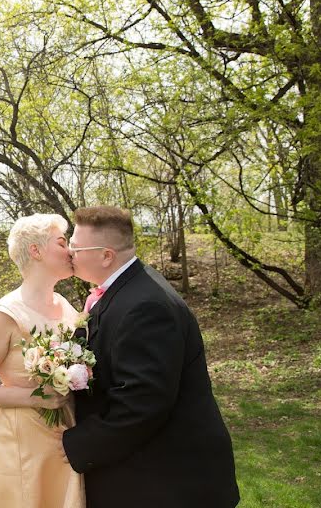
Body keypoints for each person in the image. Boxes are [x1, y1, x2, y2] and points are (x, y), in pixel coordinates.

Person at [61, 206, 239, 508]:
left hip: (170, 482)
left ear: (106, 256)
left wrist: (76, 445)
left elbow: (143, 403)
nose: (69, 253)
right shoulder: (126, 289)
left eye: (76, 247)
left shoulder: (146, 306)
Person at [0, 214, 85, 508]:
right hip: (19, 439)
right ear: (35, 251)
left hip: (64, 433)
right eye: (62, 242)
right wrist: (36, 398)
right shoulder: (5, 314)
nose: (71, 251)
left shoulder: (65, 306)